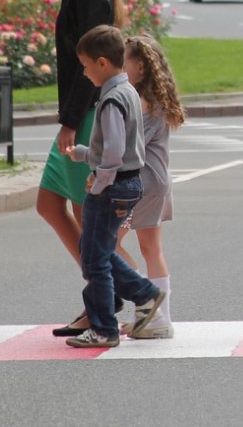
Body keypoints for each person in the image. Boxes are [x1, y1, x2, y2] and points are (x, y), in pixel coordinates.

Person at [41, 0, 127, 338]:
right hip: (81, 113)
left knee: (85, 216)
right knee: (50, 204)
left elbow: (90, 66)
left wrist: (70, 123)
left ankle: (116, 296)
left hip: (88, 114)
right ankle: (107, 293)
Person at [62, 25, 165, 348]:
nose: (84, 72)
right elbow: (124, 143)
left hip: (112, 186)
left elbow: (115, 150)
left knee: (94, 260)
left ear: (103, 63)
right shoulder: (128, 92)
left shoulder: (111, 99)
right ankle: (145, 293)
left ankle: (105, 328)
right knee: (98, 251)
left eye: (86, 65)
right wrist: (84, 154)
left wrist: (100, 180)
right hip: (128, 182)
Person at [114, 35, 185, 340]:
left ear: (139, 67)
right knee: (151, 249)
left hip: (139, 183)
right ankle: (159, 318)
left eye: (123, 63)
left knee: (108, 244)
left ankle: (148, 306)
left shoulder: (137, 101)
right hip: (157, 181)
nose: (119, 69)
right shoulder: (156, 100)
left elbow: (128, 148)